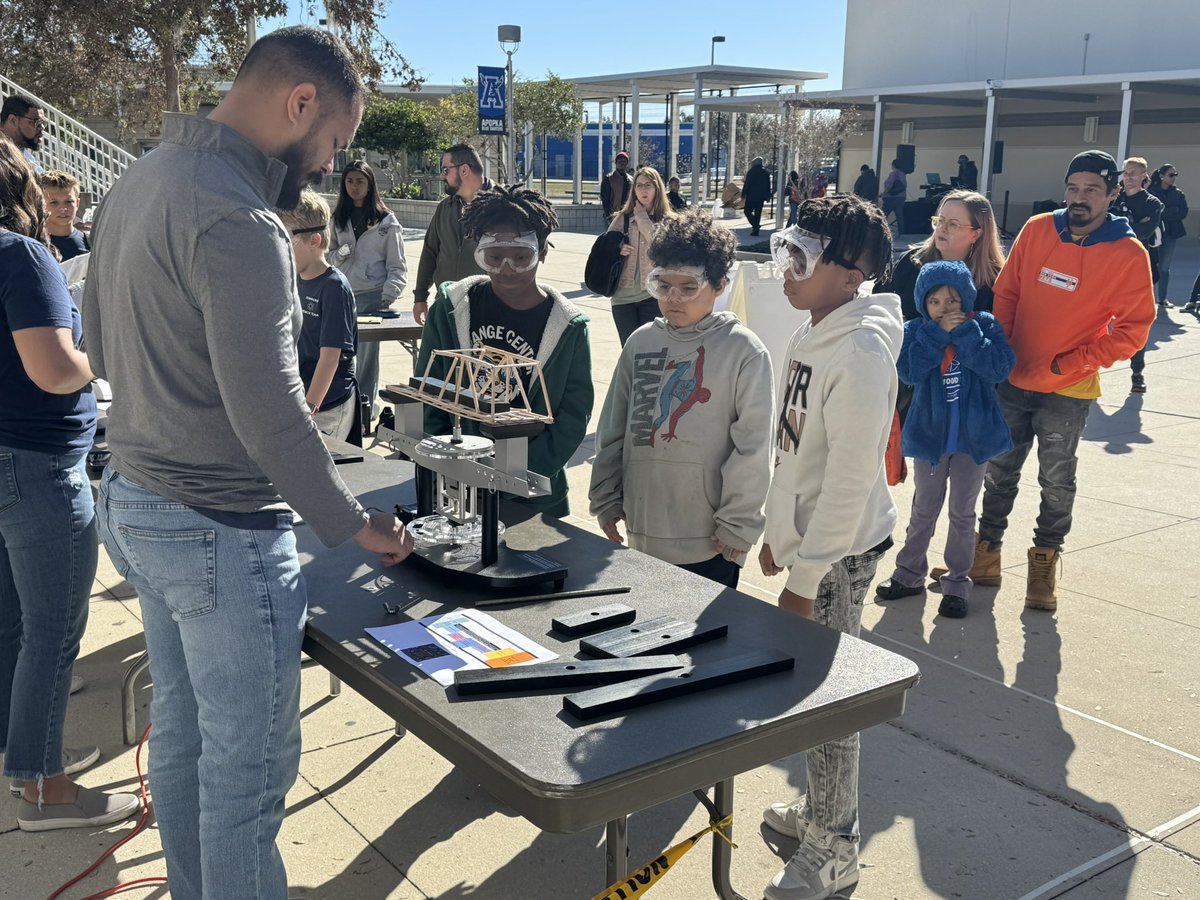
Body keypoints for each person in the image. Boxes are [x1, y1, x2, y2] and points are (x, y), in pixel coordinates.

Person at [82, 26, 414, 898]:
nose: (331, 163)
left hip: (136, 498)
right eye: (335, 140)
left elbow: (98, 350)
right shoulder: (238, 216)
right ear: (300, 103)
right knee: (247, 777)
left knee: (188, 740)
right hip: (219, 530)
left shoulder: (136, 182)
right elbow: (272, 408)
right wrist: (352, 523)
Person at [757, 195, 901, 900]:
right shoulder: (815, 328)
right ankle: (818, 812)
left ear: (854, 273)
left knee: (830, 703)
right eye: (785, 248)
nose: (786, 270)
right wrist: (777, 534)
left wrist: (804, 578)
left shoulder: (863, 350)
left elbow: (847, 482)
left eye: (803, 259)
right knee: (816, 697)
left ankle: (834, 845)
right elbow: (797, 451)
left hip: (839, 557)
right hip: (814, 546)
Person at [0, 135, 138, 833]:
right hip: (37, 462)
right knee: (53, 630)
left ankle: (17, 753)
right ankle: (45, 790)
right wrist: (104, 351)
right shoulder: (20, 255)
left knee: (13, 622)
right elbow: (54, 370)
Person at [969, 150, 1153, 612]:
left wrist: (1069, 364)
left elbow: (1132, 332)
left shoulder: (1129, 254)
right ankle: (986, 555)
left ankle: (1044, 564)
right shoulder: (1037, 230)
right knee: (999, 472)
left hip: (1066, 391)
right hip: (1013, 379)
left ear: (1113, 194)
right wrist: (1005, 348)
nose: (1080, 198)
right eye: (1073, 188)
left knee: (1056, 481)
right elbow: (1008, 290)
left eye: (1092, 189)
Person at [589, 208, 774, 588]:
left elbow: (753, 448)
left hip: (711, 546)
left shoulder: (744, 350)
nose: (674, 297)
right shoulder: (641, 342)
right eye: (662, 284)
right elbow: (613, 427)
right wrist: (605, 497)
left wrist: (738, 525)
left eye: (688, 287)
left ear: (720, 284)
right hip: (641, 535)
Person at [415, 185, 593, 521]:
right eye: (493, 258)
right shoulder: (452, 309)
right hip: (457, 482)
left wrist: (514, 475)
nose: (507, 269)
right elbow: (430, 389)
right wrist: (447, 459)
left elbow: (573, 413)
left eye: (521, 257)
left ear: (542, 251)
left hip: (531, 495)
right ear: (477, 253)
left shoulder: (568, 327)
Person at [874, 261, 1014, 618]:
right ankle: (909, 575)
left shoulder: (983, 325)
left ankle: (957, 583)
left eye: (952, 300)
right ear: (923, 303)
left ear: (966, 299)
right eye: (935, 301)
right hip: (931, 441)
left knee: (963, 514)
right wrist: (936, 335)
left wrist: (966, 335)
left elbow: (999, 368)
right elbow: (908, 371)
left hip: (973, 442)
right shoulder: (915, 330)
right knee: (923, 509)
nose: (944, 308)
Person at [874, 189, 1006, 429]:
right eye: (940, 221)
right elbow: (880, 313)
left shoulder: (994, 281)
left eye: (953, 224)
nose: (942, 229)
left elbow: (997, 345)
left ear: (976, 233)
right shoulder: (910, 263)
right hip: (909, 385)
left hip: (963, 395)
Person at [330, 160, 406, 427]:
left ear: (370, 184)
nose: (354, 186)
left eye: (360, 181)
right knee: (339, 356)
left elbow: (397, 265)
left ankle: (365, 412)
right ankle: (343, 409)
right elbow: (326, 255)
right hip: (342, 295)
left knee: (366, 361)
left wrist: (389, 294)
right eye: (349, 181)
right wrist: (339, 254)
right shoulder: (338, 218)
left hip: (373, 297)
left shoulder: (386, 221)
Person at [281, 190, 358, 441]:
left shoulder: (334, 287)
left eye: (286, 239)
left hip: (327, 404)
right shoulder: (295, 280)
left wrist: (309, 407)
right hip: (302, 399)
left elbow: (330, 358)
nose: (280, 247)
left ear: (314, 240)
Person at [412, 143, 492, 324]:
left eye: (445, 170)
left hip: (487, 311)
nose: (442, 176)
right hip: (446, 307)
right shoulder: (444, 208)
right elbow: (430, 253)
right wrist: (420, 297)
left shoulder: (503, 207)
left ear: (464, 170)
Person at [606, 166, 678, 345]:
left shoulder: (668, 220)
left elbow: (660, 246)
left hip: (652, 294)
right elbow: (605, 247)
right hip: (622, 295)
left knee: (650, 350)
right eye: (639, 185)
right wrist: (618, 247)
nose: (643, 190)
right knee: (629, 348)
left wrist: (641, 217)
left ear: (657, 188)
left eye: (648, 185)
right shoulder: (622, 218)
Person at [1111, 156, 1165, 393]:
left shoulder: (1152, 203)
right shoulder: (1113, 196)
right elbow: (1105, 225)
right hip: (1108, 269)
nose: (1129, 176)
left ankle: (1137, 372)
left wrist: (1123, 223)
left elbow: (1141, 232)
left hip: (1140, 270)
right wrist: (1128, 222)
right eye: (1126, 172)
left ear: (1145, 176)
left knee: (1138, 323)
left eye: (1134, 172)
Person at [1148, 163, 1187, 307]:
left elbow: (1183, 212)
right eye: (1171, 175)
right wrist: (1172, 211)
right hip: (1154, 233)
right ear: (1161, 176)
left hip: (1171, 234)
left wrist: (1166, 213)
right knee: (1151, 265)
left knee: (1164, 267)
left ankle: (1162, 299)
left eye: (1175, 175)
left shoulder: (1177, 193)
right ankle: (1147, 298)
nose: (1173, 178)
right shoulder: (1152, 191)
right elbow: (1154, 211)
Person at [39, 170, 89, 261]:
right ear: (41, 204)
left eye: (69, 202)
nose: (63, 208)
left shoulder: (90, 242)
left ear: (77, 204)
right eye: (54, 202)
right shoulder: (33, 245)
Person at [0, 96, 45, 173]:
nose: (42, 127)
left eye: (43, 123)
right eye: (36, 122)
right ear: (13, 120)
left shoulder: (24, 154)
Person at [741, 155, 773, 235]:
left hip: (751, 196)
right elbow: (768, 185)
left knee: (747, 211)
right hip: (761, 197)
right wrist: (768, 196)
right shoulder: (765, 172)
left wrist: (743, 193)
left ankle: (755, 225)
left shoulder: (751, 171)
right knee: (758, 213)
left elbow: (747, 183)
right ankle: (756, 231)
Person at [601, 150, 633, 218]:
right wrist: (609, 215)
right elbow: (605, 199)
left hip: (627, 214)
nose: (622, 163)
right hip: (612, 214)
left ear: (627, 163)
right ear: (616, 163)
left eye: (624, 161)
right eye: (620, 161)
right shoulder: (609, 178)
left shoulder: (631, 180)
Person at [880, 158, 908, 236]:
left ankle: (881, 232)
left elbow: (889, 185)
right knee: (900, 217)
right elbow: (903, 186)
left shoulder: (893, 174)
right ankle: (901, 234)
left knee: (883, 216)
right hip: (901, 198)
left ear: (893, 165)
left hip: (891, 198)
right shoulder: (903, 174)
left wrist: (884, 194)